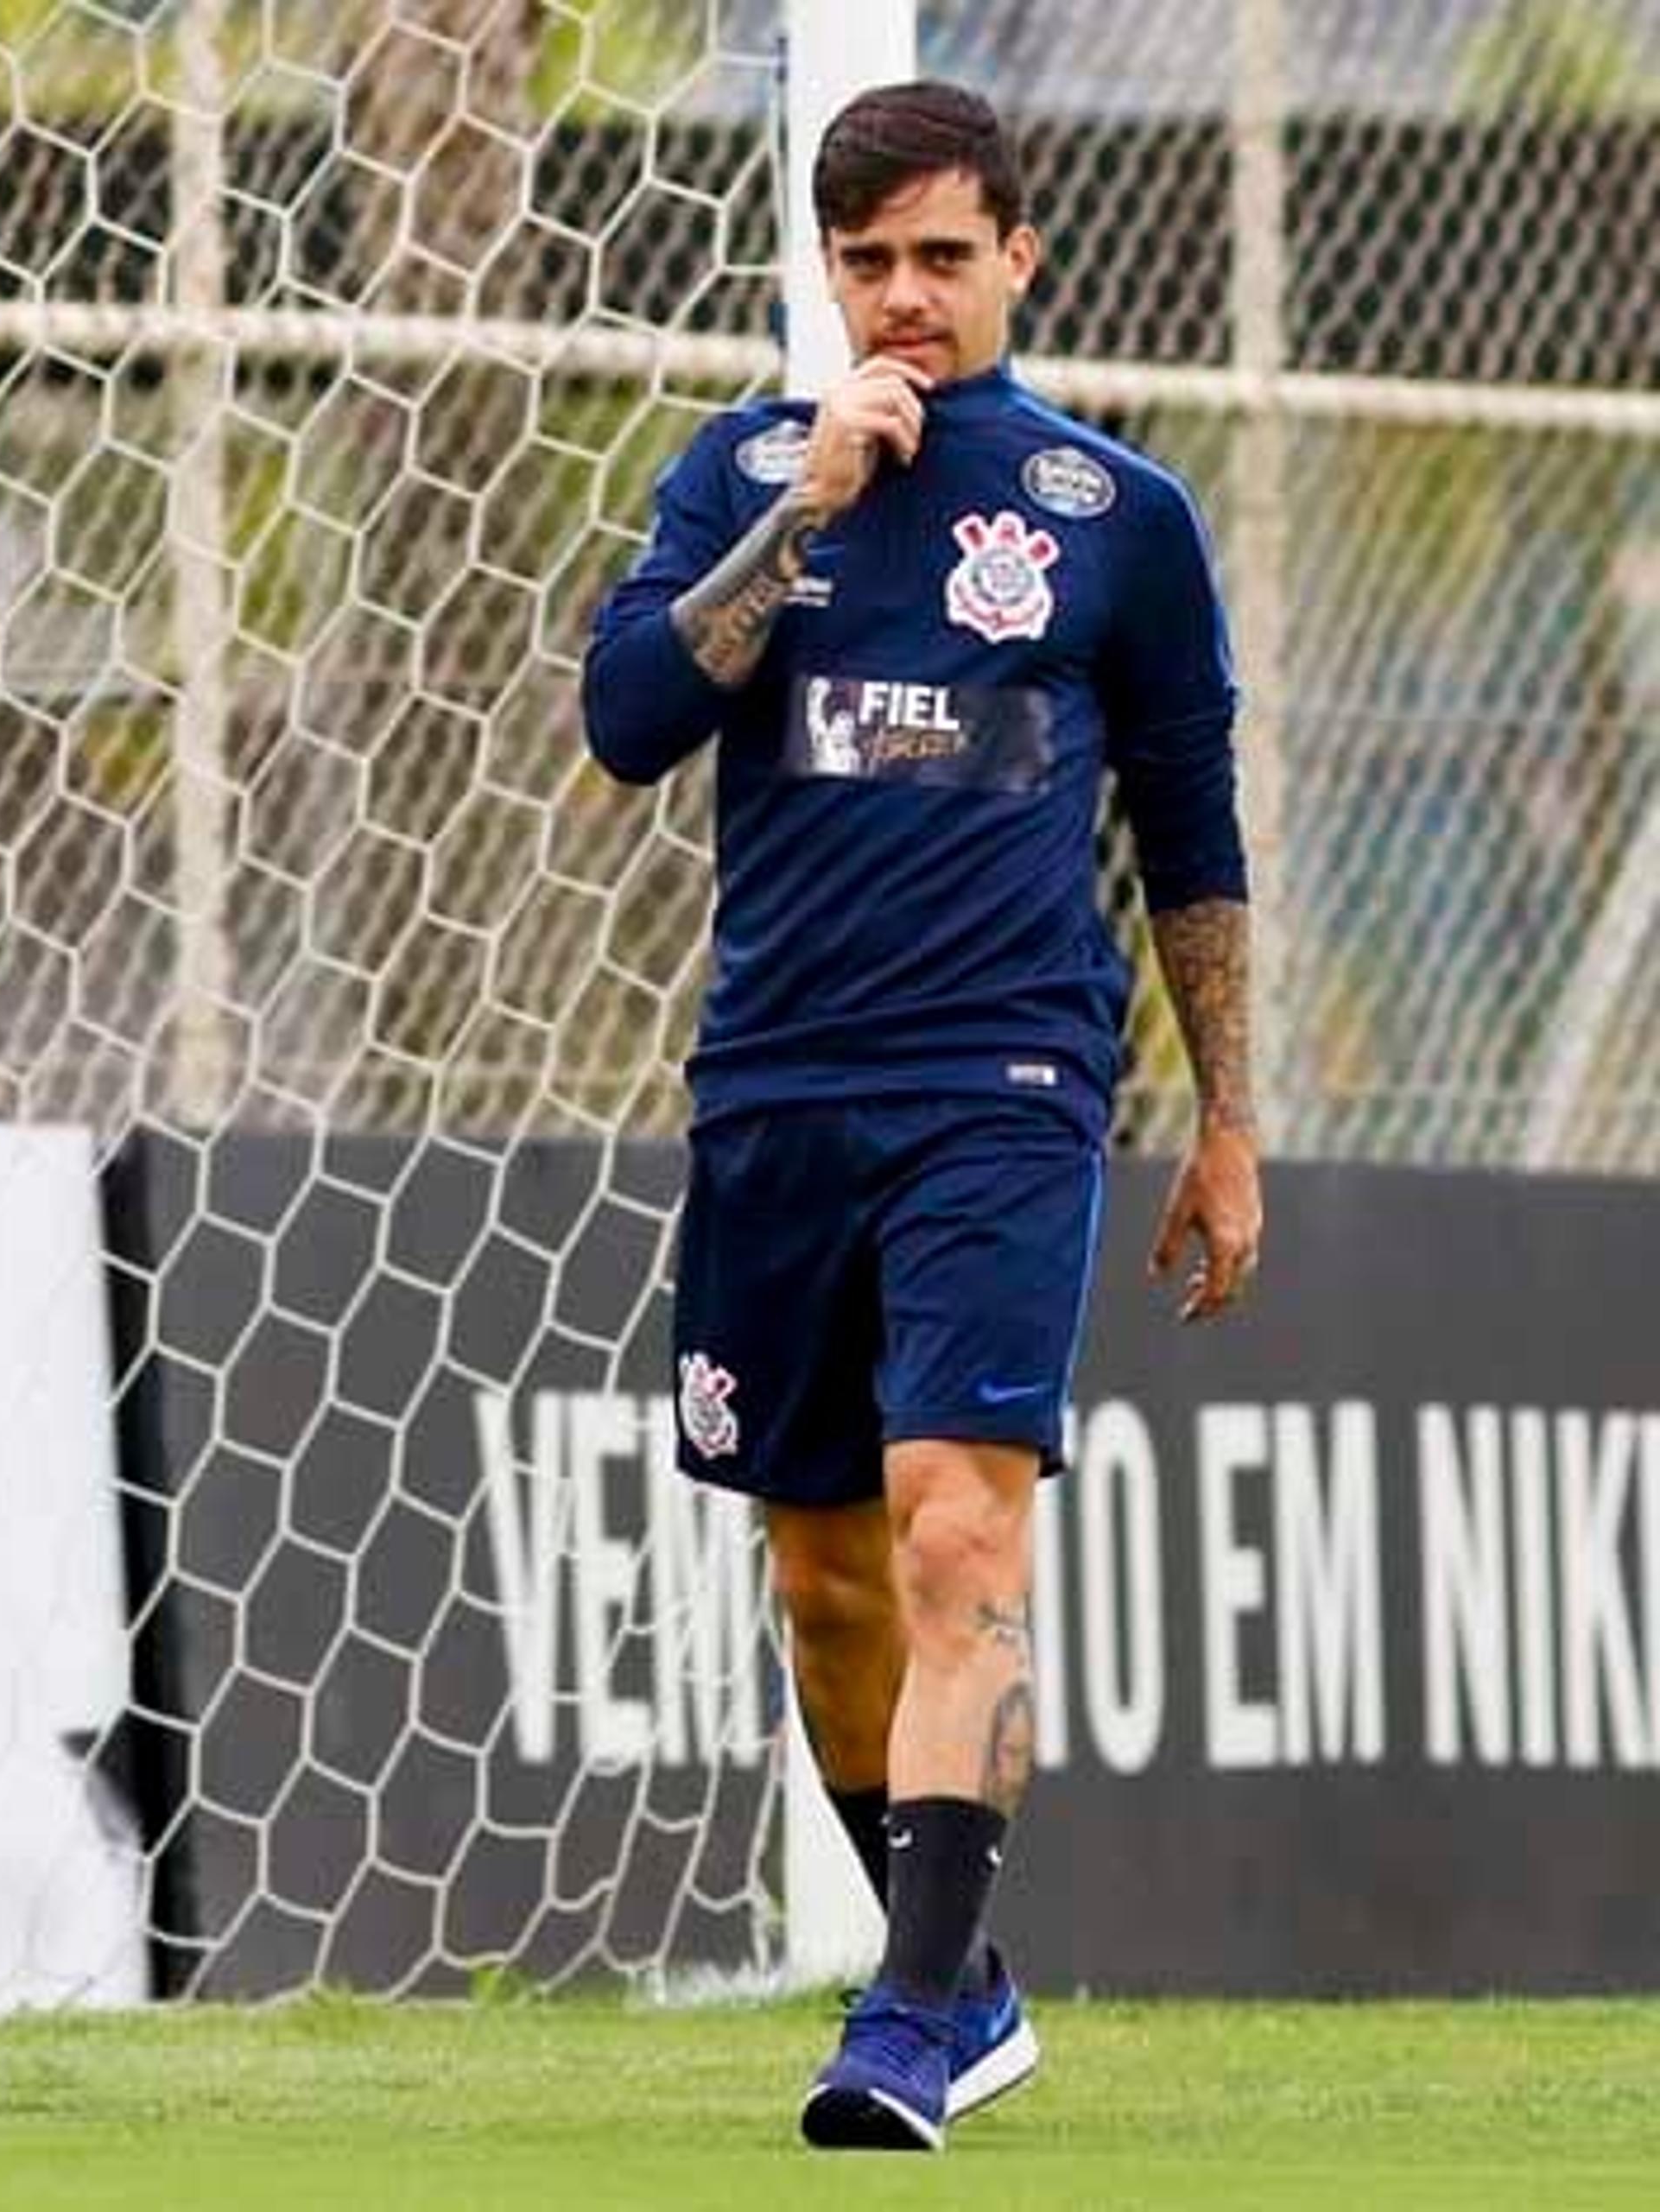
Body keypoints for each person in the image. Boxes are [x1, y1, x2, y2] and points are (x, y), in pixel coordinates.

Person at [580, 80, 1263, 2152]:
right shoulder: (738, 477)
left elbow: (1192, 827)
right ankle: (964, 1985)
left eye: (942, 259)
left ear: (1018, 259)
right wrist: (803, 525)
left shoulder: (1112, 515)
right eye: (866, 261)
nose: (904, 298)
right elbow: (626, 722)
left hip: (1007, 1080)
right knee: (827, 1582)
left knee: (960, 1527)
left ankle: (897, 2024)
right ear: (823, 264)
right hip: (778, 1085)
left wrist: (1228, 1118)